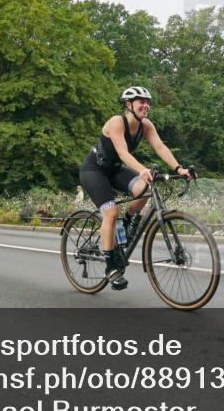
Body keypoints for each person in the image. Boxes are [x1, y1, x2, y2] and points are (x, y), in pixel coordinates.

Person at [79, 86, 191, 291]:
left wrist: (179, 168)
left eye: (148, 102)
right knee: (111, 213)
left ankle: (129, 223)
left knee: (145, 188)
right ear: (129, 105)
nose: (146, 105)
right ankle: (111, 266)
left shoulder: (146, 126)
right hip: (94, 171)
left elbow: (160, 147)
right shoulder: (116, 122)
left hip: (114, 170)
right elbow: (122, 153)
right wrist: (141, 169)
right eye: (141, 101)